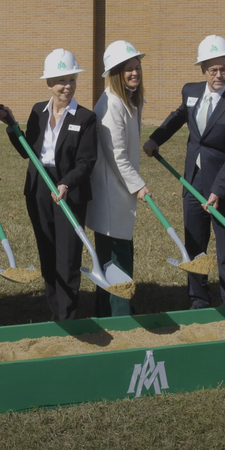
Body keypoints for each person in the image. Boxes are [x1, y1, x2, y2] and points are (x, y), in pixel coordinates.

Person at [143, 35, 225, 309]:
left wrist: (219, 189)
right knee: (195, 241)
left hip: (224, 186)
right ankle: (198, 298)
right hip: (192, 181)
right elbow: (178, 116)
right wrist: (156, 138)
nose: (220, 74)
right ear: (203, 69)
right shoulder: (191, 92)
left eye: (224, 68)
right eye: (213, 69)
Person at [0, 49, 97, 321]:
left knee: (67, 256)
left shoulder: (85, 118)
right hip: (39, 189)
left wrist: (66, 184)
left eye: (71, 80)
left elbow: (86, 162)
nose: (67, 86)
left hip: (69, 192)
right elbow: (27, 150)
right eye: (61, 80)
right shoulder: (38, 112)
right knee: (48, 250)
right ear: (48, 84)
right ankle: (54, 311)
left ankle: (68, 315)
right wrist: (11, 126)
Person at [85, 41, 151, 317]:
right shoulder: (112, 103)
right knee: (116, 257)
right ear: (115, 73)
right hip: (112, 195)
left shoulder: (128, 99)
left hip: (119, 193)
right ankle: (119, 316)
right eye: (128, 69)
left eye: (137, 67)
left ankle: (110, 310)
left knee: (116, 254)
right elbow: (117, 155)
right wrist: (139, 185)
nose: (135, 73)